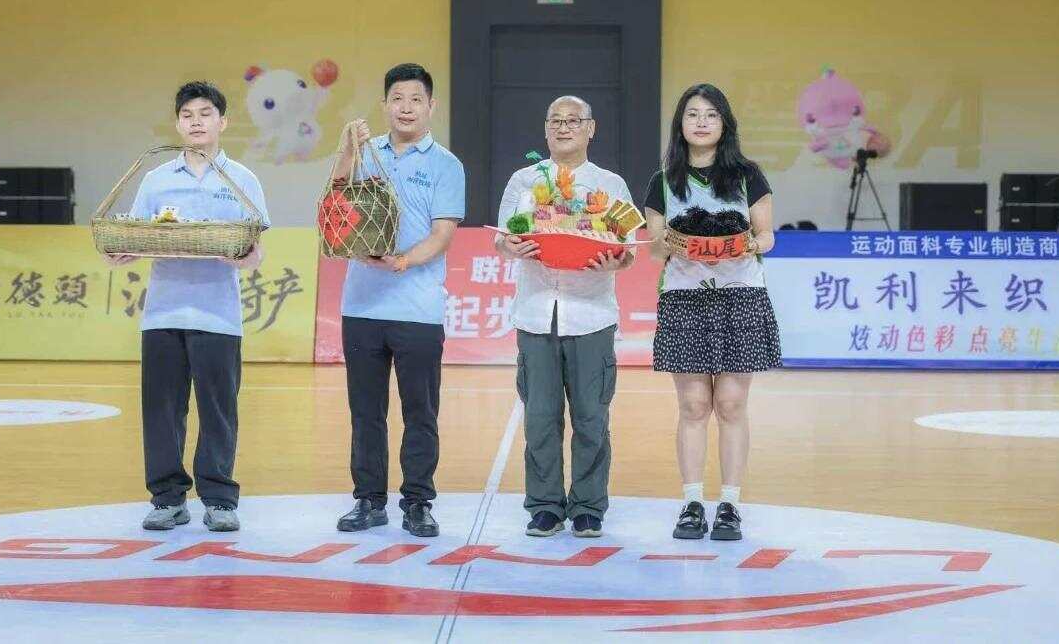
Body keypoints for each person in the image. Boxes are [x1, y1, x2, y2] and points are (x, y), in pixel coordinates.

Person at [105, 81, 269, 533]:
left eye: (205, 114)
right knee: (161, 410)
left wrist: (242, 258)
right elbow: (137, 236)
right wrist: (121, 253)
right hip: (163, 313)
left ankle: (219, 500)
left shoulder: (242, 180)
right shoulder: (156, 179)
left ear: (223, 122)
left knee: (219, 411)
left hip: (219, 316)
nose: (196, 122)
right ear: (178, 123)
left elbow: (256, 253)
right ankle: (167, 499)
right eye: (187, 115)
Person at [642, 83, 781, 542]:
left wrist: (742, 244)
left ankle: (731, 504)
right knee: (693, 405)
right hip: (684, 297)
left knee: (731, 404)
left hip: (740, 296)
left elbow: (766, 237)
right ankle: (691, 502)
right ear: (679, 124)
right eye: (692, 114)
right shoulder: (663, 181)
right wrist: (676, 243)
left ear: (725, 123)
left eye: (711, 115)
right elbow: (655, 248)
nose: (701, 122)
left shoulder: (748, 175)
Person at [333, 63, 464, 539]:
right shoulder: (366, 154)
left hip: (417, 309)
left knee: (419, 412)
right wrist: (348, 150)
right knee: (366, 412)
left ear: (431, 106)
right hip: (362, 307)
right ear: (384, 104)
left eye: (415, 99)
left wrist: (404, 261)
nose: (406, 108)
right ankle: (369, 500)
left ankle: (418, 502)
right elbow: (337, 201)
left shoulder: (446, 165)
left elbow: (443, 234)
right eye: (397, 99)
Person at [496, 96, 634, 539]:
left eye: (573, 120)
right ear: (545, 129)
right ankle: (545, 506)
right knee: (540, 417)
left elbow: (628, 248)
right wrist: (509, 245)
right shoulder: (524, 180)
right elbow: (502, 238)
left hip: (591, 315)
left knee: (592, 416)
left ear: (591, 129)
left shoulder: (610, 184)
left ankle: (589, 506)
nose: (563, 127)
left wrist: (618, 260)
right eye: (555, 120)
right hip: (536, 313)